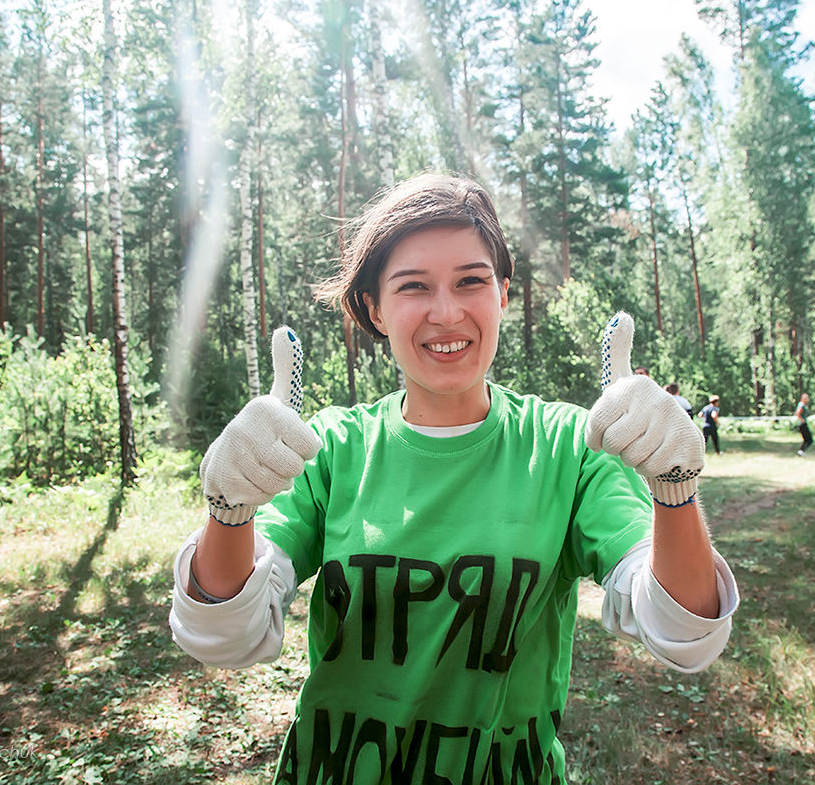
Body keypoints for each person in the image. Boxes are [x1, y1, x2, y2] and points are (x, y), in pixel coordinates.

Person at [169, 174, 738, 784]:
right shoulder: (325, 449)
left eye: (471, 281)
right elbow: (222, 638)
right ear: (374, 308)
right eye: (413, 286)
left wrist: (675, 490)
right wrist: (229, 513)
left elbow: (684, 633)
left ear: (503, 294)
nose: (446, 313)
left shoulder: (571, 447)